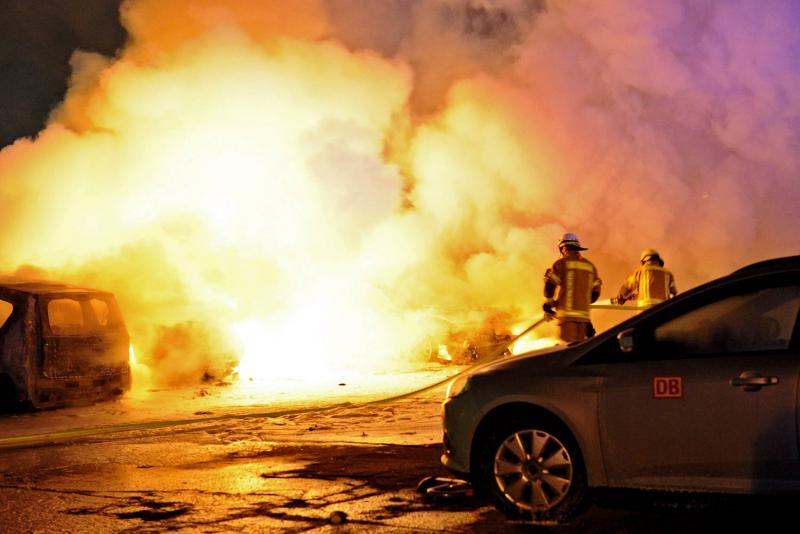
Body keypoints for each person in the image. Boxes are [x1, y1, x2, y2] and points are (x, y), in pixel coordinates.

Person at [543, 233, 602, 343]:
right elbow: (595, 294)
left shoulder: (561, 263)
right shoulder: (590, 266)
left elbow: (550, 284)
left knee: (566, 350)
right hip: (584, 320)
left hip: (566, 319)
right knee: (579, 351)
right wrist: (582, 302)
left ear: (563, 247)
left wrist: (548, 303)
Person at [613, 248, 677, 307]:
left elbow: (627, 287)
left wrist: (621, 297)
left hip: (645, 308)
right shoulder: (668, 274)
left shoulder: (640, 272)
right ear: (658, 260)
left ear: (644, 260)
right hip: (662, 308)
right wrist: (633, 297)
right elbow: (673, 293)